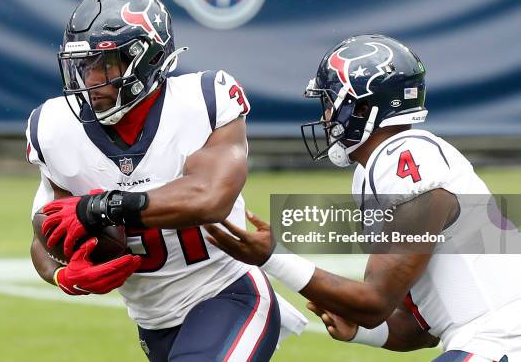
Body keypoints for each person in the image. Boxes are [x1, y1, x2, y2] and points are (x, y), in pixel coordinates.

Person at [26, 0, 307, 362]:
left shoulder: (205, 100)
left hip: (227, 294)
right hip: (152, 322)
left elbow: (209, 198)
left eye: (106, 65)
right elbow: (47, 232)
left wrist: (101, 207)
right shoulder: (54, 126)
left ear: (149, 57)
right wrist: (62, 275)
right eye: (84, 65)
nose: (91, 81)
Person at [205, 34, 521, 362]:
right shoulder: (380, 168)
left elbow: (374, 302)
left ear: (364, 107)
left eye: (330, 103)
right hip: (490, 337)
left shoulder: (407, 161)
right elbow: (424, 327)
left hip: (502, 338)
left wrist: (274, 257)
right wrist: (362, 331)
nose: (326, 117)